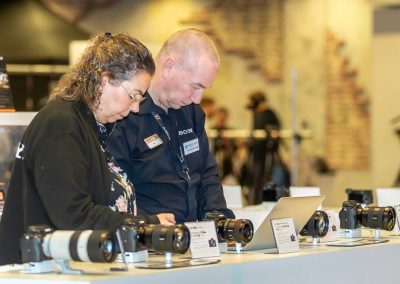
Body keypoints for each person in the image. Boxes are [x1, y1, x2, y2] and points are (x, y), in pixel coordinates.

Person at [0, 32, 174, 266]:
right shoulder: (62, 126)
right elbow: (73, 214)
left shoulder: (89, 124)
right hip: (40, 269)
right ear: (104, 80)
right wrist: (145, 226)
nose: (134, 108)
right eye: (133, 96)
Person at [107, 29, 234, 223]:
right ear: (169, 67)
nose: (197, 98)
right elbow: (116, 191)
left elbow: (207, 173)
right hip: (149, 239)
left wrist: (219, 218)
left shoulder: (191, 111)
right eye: (195, 86)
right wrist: (148, 225)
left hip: (194, 238)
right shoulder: (124, 115)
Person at [246, 90, 283, 205]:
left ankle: (265, 202)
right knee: (256, 180)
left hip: (267, 153)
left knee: (267, 180)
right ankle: (256, 202)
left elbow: (276, 131)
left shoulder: (269, 114)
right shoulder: (256, 114)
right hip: (257, 154)